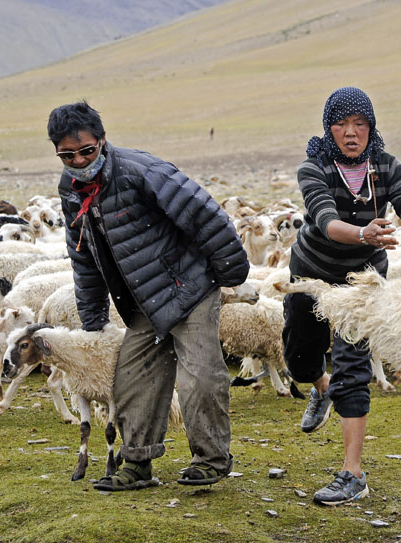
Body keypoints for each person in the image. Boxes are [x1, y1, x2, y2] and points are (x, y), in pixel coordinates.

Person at [47, 101, 249, 491]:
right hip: (143, 301)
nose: (78, 160)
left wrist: (231, 273)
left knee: (201, 376)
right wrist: (92, 318)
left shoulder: (141, 171)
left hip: (188, 287)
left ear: (102, 141)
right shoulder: (71, 189)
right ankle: (137, 465)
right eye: (67, 155)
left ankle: (211, 459)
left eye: (86, 151)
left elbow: (205, 213)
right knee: (132, 380)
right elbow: (83, 253)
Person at [282, 87, 401, 506]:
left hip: (362, 283)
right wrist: (363, 232)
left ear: (371, 127)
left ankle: (352, 473)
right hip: (311, 274)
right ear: (328, 128)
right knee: (299, 358)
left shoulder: (386, 166)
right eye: (341, 124)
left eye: (359, 124)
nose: (350, 133)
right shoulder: (315, 167)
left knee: (354, 365)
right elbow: (326, 220)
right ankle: (319, 386)